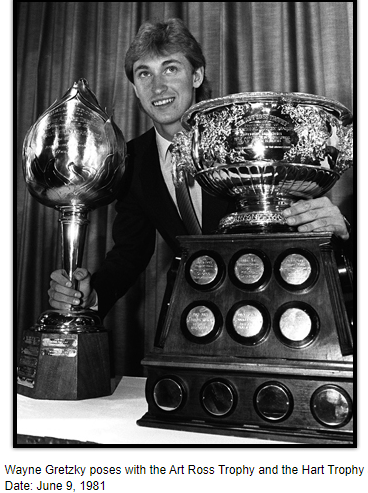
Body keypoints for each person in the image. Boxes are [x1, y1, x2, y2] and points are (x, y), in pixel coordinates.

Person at [48, 18, 350, 320]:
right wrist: (92, 294)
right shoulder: (131, 160)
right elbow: (130, 251)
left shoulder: (247, 137)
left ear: (197, 75)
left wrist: (344, 232)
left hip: (279, 307)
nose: (158, 86)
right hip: (193, 317)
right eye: (145, 74)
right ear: (136, 90)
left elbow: (300, 222)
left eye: (170, 68)